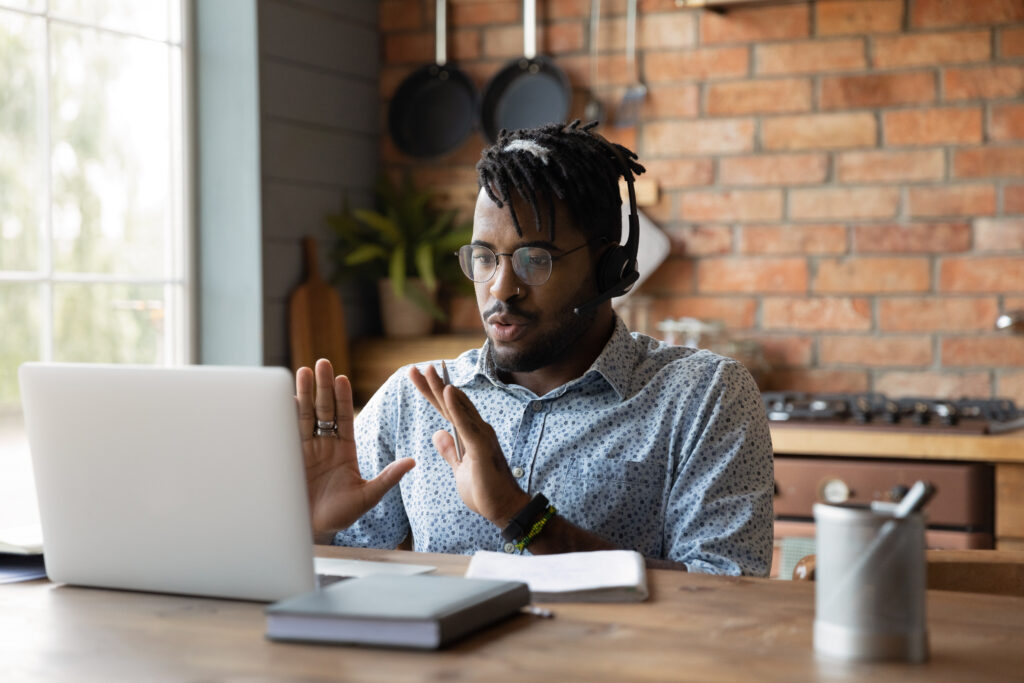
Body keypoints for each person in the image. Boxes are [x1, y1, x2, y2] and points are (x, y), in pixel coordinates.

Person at [295, 121, 774, 576]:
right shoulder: (412, 400)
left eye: (535, 259)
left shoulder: (703, 396)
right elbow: (335, 588)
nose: (501, 288)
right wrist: (313, 533)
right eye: (484, 257)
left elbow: (724, 592)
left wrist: (519, 514)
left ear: (608, 269)